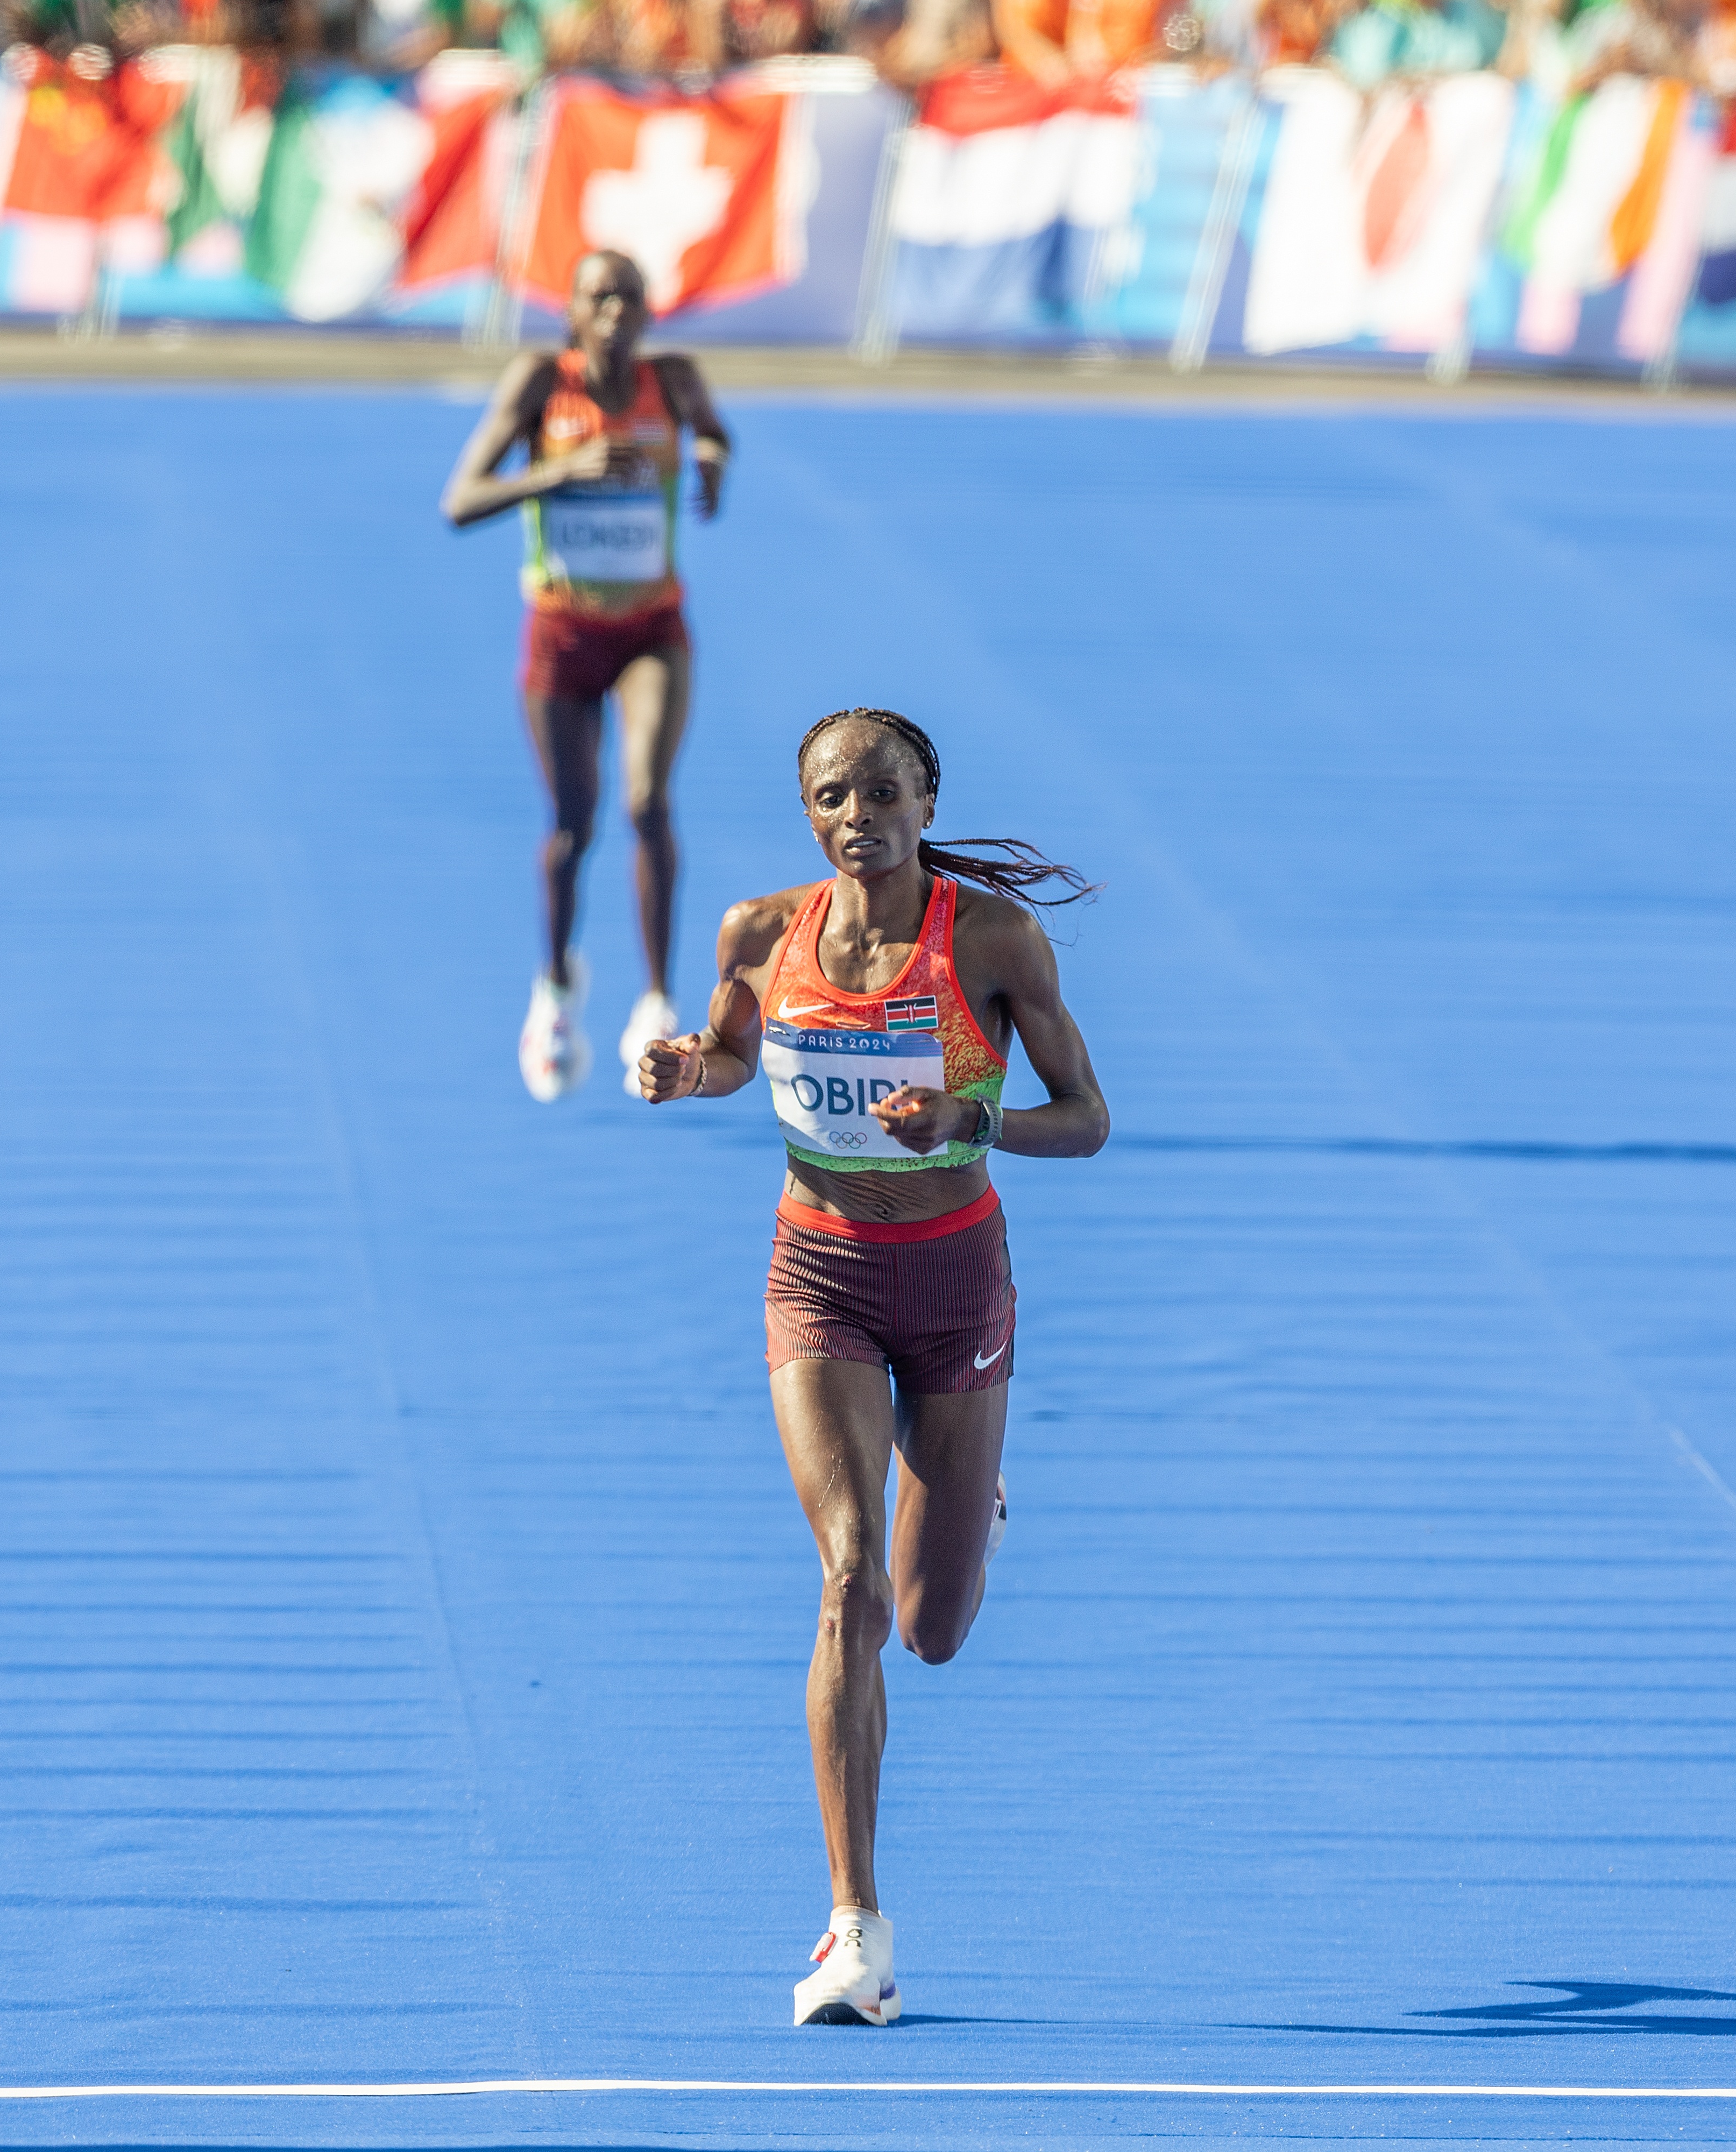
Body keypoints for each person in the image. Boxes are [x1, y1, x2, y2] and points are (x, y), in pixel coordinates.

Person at [635, 707, 1108, 2027]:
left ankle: (974, 1500)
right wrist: (691, 1066)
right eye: (835, 795)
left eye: (885, 790)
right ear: (810, 814)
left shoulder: (993, 941)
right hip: (822, 1272)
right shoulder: (757, 932)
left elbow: (1091, 1119)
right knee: (844, 1577)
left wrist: (977, 1118)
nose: (861, 815)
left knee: (931, 1629)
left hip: (957, 1284)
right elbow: (734, 1049)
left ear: (927, 797)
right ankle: (857, 1928)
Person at [442, 250, 733, 1102]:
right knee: (573, 826)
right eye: (598, 295)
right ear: (572, 312)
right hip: (563, 635)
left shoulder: (672, 380)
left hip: (651, 628)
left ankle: (654, 998)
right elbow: (461, 499)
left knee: (648, 803)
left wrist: (711, 454)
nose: (615, 310)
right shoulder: (541, 382)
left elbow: (715, 428)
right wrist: (563, 471)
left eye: (630, 297)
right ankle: (558, 990)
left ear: (648, 314)